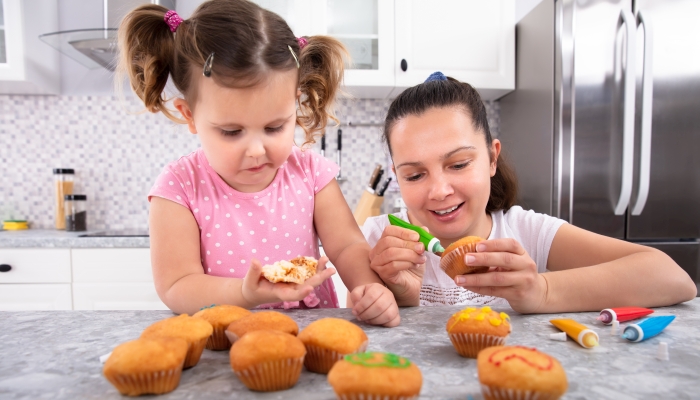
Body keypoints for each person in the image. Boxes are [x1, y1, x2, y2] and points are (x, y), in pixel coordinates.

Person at [116, 0, 399, 326]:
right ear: (189, 115)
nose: (256, 150)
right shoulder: (179, 187)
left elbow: (348, 245)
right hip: (222, 344)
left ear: (295, 105)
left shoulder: (309, 172)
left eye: (274, 127)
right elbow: (176, 286)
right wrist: (247, 294)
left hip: (307, 335)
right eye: (232, 131)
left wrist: (368, 287)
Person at [363, 72, 697, 312]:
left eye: (459, 164)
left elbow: (673, 278)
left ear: (492, 158)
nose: (439, 191)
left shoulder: (527, 232)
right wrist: (401, 298)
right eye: (416, 174)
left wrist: (543, 290)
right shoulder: (377, 240)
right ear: (397, 177)